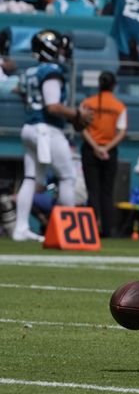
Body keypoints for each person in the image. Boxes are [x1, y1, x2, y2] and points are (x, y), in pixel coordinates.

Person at [14, 30, 91, 242]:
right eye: (57, 47)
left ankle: (20, 229)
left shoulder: (31, 71)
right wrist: (77, 114)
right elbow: (53, 106)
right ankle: (68, 229)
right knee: (67, 177)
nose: (61, 52)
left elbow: (18, 91)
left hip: (29, 127)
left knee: (30, 179)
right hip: (46, 129)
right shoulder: (51, 71)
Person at [80, 71, 127, 237]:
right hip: (109, 151)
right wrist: (106, 148)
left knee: (92, 191)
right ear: (114, 86)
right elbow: (121, 132)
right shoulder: (118, 106)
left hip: (90, 150)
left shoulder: (87, 103)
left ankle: (90, 230)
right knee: (107, 192)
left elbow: (82, 127)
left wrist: (95, 146)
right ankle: (108, 230)